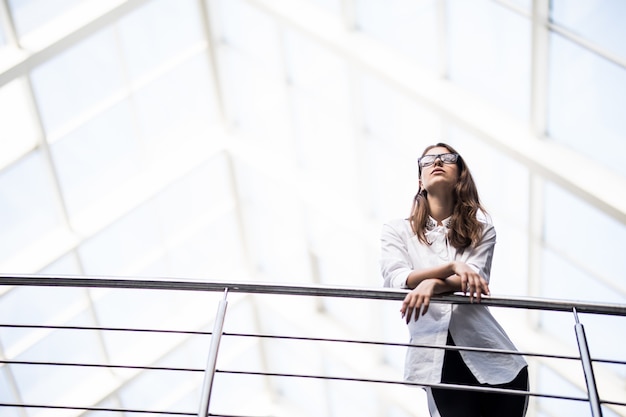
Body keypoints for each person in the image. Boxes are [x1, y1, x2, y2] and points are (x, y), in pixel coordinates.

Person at [380, 143, 528, 417]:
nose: (437, 161)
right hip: (437, 362)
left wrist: (431, 284)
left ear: (460, 174)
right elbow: (398, 278)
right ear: (420, 181)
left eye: (447, 158)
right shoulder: (397, 231)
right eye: (428, 160)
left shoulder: (482, 230)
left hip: (497, 361)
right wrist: (452, 266)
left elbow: (475, 279)